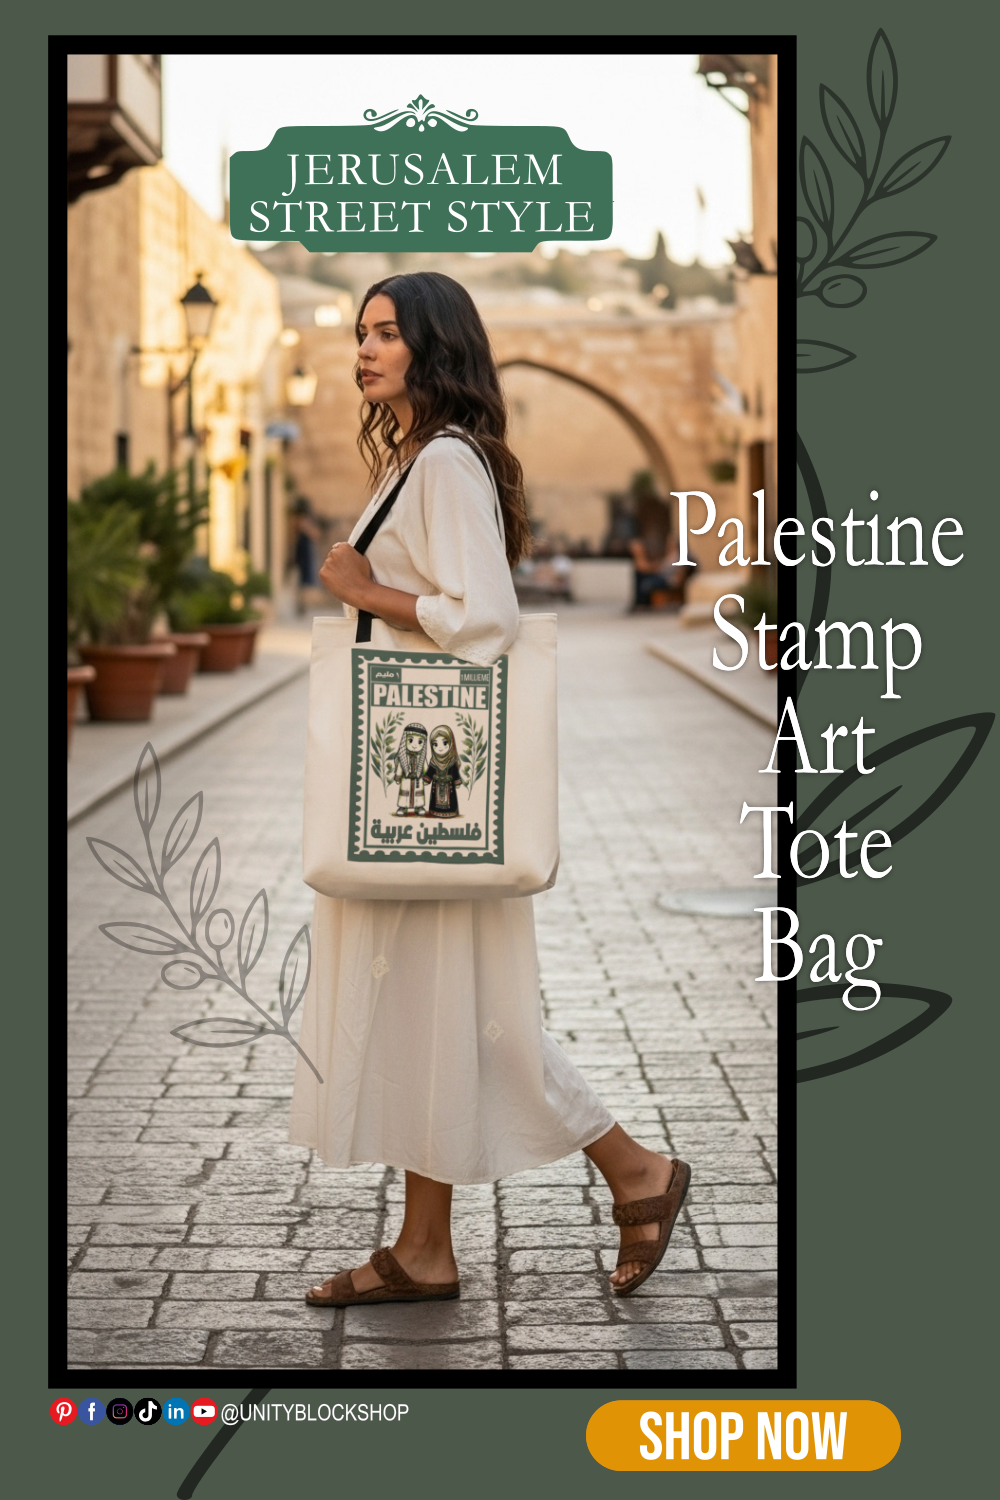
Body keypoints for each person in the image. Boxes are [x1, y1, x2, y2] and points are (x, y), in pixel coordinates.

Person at [289, 271, 690, 1308]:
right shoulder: (424, 459)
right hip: (423, 791)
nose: (365, 349)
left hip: (430, 792)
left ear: (435, 347)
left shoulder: (447, 464)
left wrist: (365, 591)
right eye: (360, 332)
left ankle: (635, 1170)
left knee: (469, 1015)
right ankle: (426, 1246)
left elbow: (489, 619)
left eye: (387, 334)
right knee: (441, 1009)